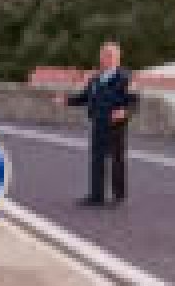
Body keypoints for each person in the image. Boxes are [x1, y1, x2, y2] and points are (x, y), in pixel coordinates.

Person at [55, 41, 138, 208]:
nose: (105, 58)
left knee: (117, 160)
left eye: (109, 55)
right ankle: (96, 195)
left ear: (117, 58)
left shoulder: (126, 77)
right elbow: (84, 97)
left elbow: (134, 101)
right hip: (98, 123)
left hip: (116, 125)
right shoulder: (96, 78)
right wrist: (66, 100)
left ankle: (118, 197)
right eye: (103, 55)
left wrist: (125, 112)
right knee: (97, 160)